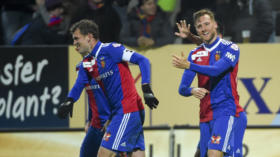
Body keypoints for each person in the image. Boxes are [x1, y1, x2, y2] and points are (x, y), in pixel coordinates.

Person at [58, 19, 159, 157]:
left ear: (89, 37)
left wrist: (146, 88)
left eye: (77, 38)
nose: (74, 43)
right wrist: (69, 100)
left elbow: (143, 60)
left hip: (127, 110)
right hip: (122, 112)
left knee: (103, 154)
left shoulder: (111, 49)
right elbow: (80, 83)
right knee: (136, 153)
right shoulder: (86, 64)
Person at [172, 9, 247, 157]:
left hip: (227, 111)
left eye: (207, 24)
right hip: (205, 115)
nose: (204, 28)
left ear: (215, 25)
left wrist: (189, 65)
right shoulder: (194, 54)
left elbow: (216, 70)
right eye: (199, 26)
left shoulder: (230, 48)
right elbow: (182, 88)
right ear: (196, 29)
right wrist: (192, 90)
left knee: (214, 153)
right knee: (200, 154)